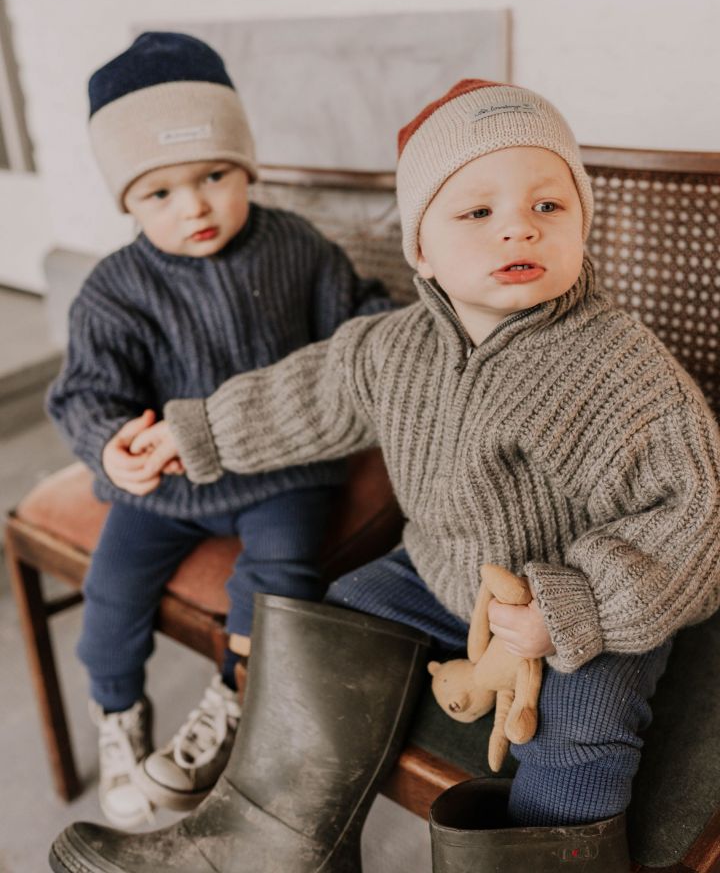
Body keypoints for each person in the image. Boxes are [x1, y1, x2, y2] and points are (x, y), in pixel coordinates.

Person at [49, 79, 720, 873]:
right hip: (438, 572)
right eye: (476, 212)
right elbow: (299, 397)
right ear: (421, 249)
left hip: (584, 608)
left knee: (583, 726)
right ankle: (265, 841)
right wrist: (190, 432)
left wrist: (570, 606)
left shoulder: (619, 369)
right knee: (330, 624)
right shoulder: (392, 346)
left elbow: (695, 515)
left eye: (549, 207)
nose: (516, 228)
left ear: (581, 225)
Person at [46, 31, 392, 829]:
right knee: (110, 591)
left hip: (283, 466)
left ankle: (236, 697)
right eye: (158, 193)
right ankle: (117, 713)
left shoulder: (298, 247)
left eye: (213, 175)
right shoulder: (114, 289)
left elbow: (358, 319)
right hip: (173, 482)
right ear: (126, 203)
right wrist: (109, 446)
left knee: (282, 574)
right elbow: (86, 391)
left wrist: (391, 328)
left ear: (247, 168)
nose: (194, 205)